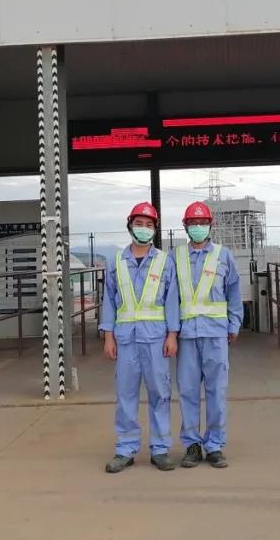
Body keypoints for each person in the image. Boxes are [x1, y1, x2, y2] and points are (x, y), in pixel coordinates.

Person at [99, 202, 180, 474]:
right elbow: (109, 301)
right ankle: (125, 448)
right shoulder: (116, 262)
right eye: (139, 224)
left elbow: (171, 301)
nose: (143, 229)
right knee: (126, 395)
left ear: (155, 229)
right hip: (125, 340)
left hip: (156, 339)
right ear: (130, 226)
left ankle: (160, 449)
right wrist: (108, 337)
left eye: (148, 225)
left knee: (160, 393)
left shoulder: (164, 261)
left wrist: (172, 335)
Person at [174, 201, 243, 469]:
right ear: (185, 226)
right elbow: (170, 297)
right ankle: (192, 445)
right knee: (188, 392)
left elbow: (233, 291)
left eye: (202, 223)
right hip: (186, 337)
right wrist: (170, 332)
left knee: (216, 392)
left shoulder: (223, 256)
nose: (198, 227)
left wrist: (234, 324)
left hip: (215, 335)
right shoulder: (175, 257)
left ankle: (214, 445)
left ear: (210, 225)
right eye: (193, 223)